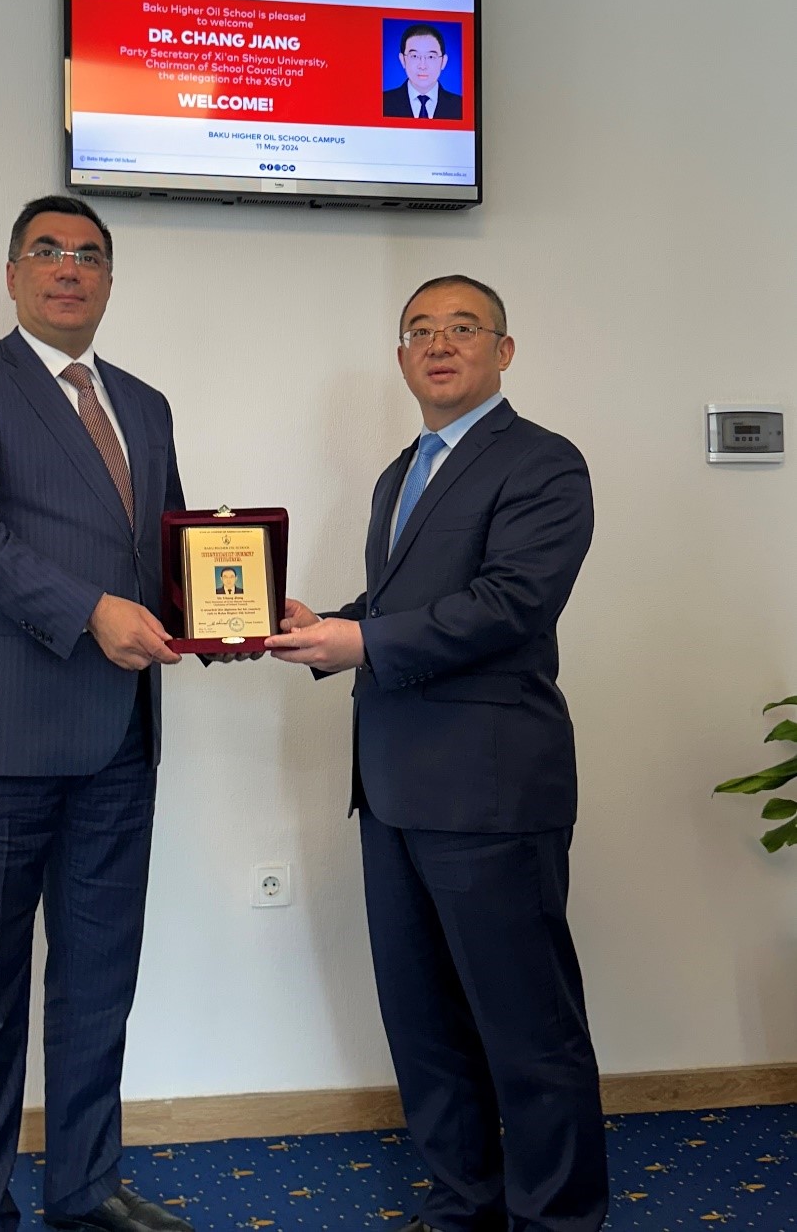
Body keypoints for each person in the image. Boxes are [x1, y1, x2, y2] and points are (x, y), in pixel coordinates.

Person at [266, 276, 608, 1232]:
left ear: (504, 351)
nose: (438, 343)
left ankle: (557, 1221)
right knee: (423, 1027)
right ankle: (461, 1206)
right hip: (391, 789)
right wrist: (324, 627)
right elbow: (400, 609)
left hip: (490, 791)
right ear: (401, 356)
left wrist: (363, 641)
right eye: (419, 330)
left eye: (462, 327)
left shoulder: (543, 463)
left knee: (527, 1030)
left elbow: (510, 605)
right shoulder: (400, 472)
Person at [0, 196, 194, 1232]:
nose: (70, 268)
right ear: (13, 273)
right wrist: (91, 610)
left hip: (119, 737)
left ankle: (85, 1187)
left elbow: (169, 550)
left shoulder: (143, 403)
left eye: (90, 255)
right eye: (48, 251)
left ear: (109, 279)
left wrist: (228, 611)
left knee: (99, 982)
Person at [382, 24, 462, 120]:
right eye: (414, 56)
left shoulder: (460, 106)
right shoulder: (383, 102)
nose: (422, 66)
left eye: (431, 57)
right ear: (402, 60)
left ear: (443, 61)